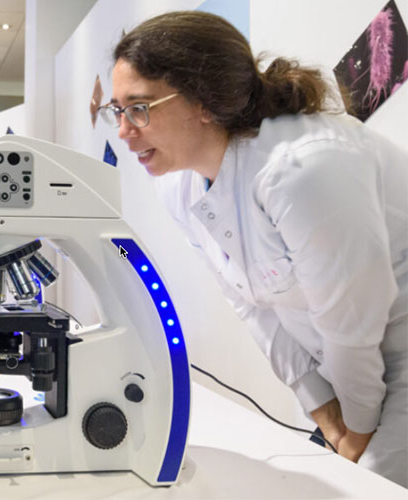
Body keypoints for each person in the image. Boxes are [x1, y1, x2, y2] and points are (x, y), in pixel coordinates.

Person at [100, 11, 407, 487]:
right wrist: (323, 409)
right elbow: (251, 305)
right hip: (351, 364)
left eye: (139, 108)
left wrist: (356, 430)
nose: (124, 131)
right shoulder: (180, 187)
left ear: (203, 100)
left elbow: (352, 323)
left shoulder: (304, 168)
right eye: (117, 111)